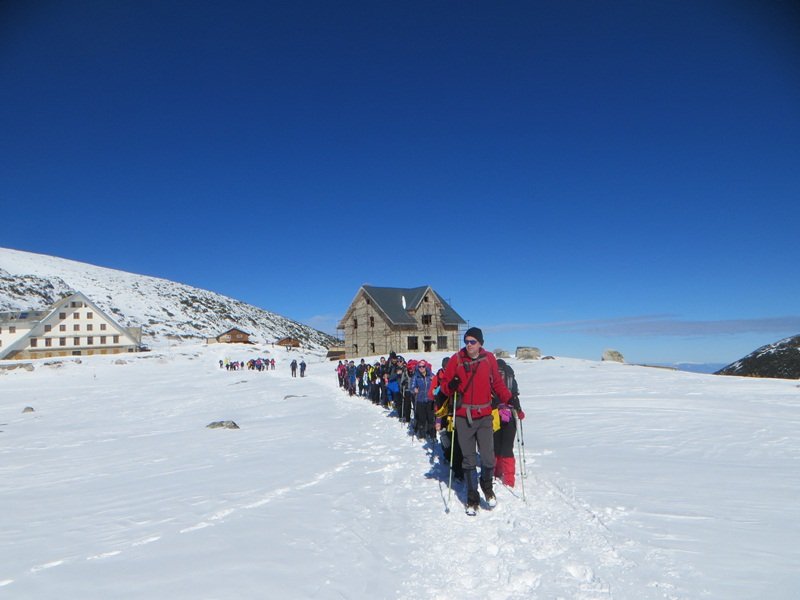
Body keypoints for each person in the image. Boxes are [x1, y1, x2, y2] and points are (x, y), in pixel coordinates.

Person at [440, 327, 512, 514]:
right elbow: (444, 388)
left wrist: (509, 399)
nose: (469, 345)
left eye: (472, 341)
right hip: (463, 417)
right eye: (466, 341)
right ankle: (472, 498)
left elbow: (497, 383)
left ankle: (487, 487)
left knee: (488, 458)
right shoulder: (456, 360)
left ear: (480, 343)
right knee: (469, 460)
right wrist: (451, 385)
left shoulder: (489, 359)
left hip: (485, 416)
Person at [493, 359, 524, 488]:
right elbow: (514, 397)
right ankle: (509, 479)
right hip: (509, 414)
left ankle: (496, 472)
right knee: (507, 446)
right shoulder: (511, 379)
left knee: (496, 445)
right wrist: (519, 410)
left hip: (494, 414)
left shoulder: (491, 377)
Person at [410, 360, 435, 440]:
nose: (421, 368)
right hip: (420, 400)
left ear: (426, 367)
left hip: (430, 400)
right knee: (422, 419)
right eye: (419, 366)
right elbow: (411, 386)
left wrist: (434, 382)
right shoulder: (416, 376)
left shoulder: (431, 375)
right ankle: (422, 435)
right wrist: (414, 389)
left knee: (431, 419)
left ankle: (432, 435)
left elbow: (437, 384)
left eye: (423, 366)